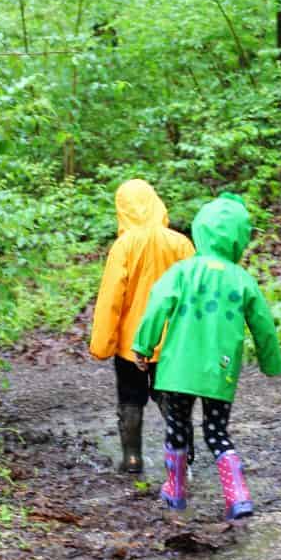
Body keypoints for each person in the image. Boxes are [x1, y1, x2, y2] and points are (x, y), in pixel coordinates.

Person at [132, 191, 281, 521]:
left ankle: (175, 490)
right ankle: (238, 496)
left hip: (178, 370)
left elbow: (157, 304)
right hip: (219, 371)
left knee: (178, 428)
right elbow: (264, 326)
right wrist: (272, 363)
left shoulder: (182, 272)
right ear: (238, 240)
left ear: (200, 230)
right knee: (217, 433)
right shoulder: (242, 279)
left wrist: (143, 346)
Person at [89, 178, 194, 474]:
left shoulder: (123, 247)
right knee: (173, 399)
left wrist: (101, 344)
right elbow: (194, 293)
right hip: (173, 342)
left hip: (130, 345)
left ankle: (132, 458)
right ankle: (182, 458)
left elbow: (111, 298)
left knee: (130, 399)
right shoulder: (180, 243)